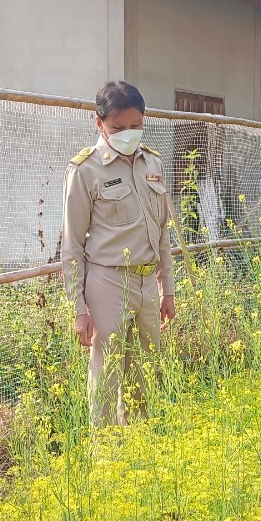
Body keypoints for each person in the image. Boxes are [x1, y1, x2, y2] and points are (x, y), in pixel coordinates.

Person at [61, 81, 176, 426]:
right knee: (108, 374)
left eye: (136, 127)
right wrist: (78, 310)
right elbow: (71, 246)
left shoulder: (152, 163)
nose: (128, 134)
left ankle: (143, 448)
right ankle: (106, 455)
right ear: (100, 124)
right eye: (118, 128)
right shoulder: (85, 170)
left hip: (146, 286)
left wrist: (166, 287)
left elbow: (162, 232)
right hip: (107, 282)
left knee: (147, 371)